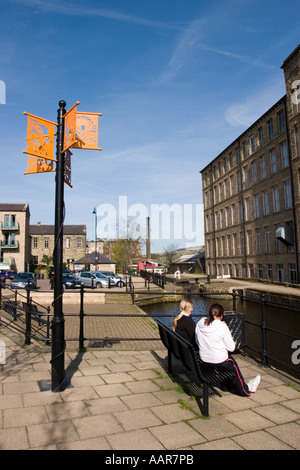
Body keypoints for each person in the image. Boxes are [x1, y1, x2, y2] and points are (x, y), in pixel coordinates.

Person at [195, 303, 260, 396]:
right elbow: (231, 348)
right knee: (232, 364)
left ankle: (225, 386)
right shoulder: (222, 327)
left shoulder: (200, 323)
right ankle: (246, 389)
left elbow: (197, 342)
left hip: (204, 359)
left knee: (223, 360)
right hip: (219, 360)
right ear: (221, 316)